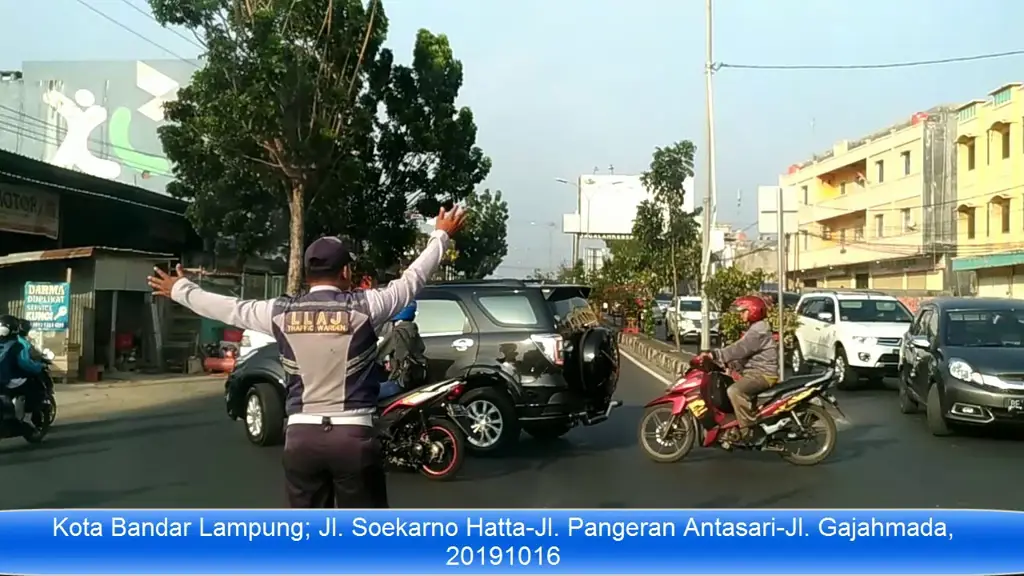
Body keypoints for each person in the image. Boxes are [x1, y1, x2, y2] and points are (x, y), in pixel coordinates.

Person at [147, 206, 467, 508]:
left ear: (308, 273)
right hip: (352, 438)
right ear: (346, 271)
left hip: (301, 440)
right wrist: (441, 235)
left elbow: (230, 309)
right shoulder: (367, 306)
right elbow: (412, 280)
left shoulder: (280, 312)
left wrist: (180, 290)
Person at [699, 295, 778, 442]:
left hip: (763, 375)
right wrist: (729, 364)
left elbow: (740, 349)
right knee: (726, 385)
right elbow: (745, 356)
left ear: (753, 311)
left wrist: (716, 354)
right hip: (753, 372)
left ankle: (747, 430)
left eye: (743, 311)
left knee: (734, 390)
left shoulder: (758, 331)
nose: (740, 315)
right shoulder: (754, 329)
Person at [376, 303, 427, 399]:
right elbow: (421, 349)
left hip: (398, 380)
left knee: (368, 395)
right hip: (413, 380)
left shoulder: (396, 333)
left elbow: (378, 353)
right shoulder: (413, 331)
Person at [0, 315, 45, 421]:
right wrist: (38, 367)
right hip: (9, 379)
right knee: (32, 387)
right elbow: (26, 364)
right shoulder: (17, 345)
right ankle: (27, 417)